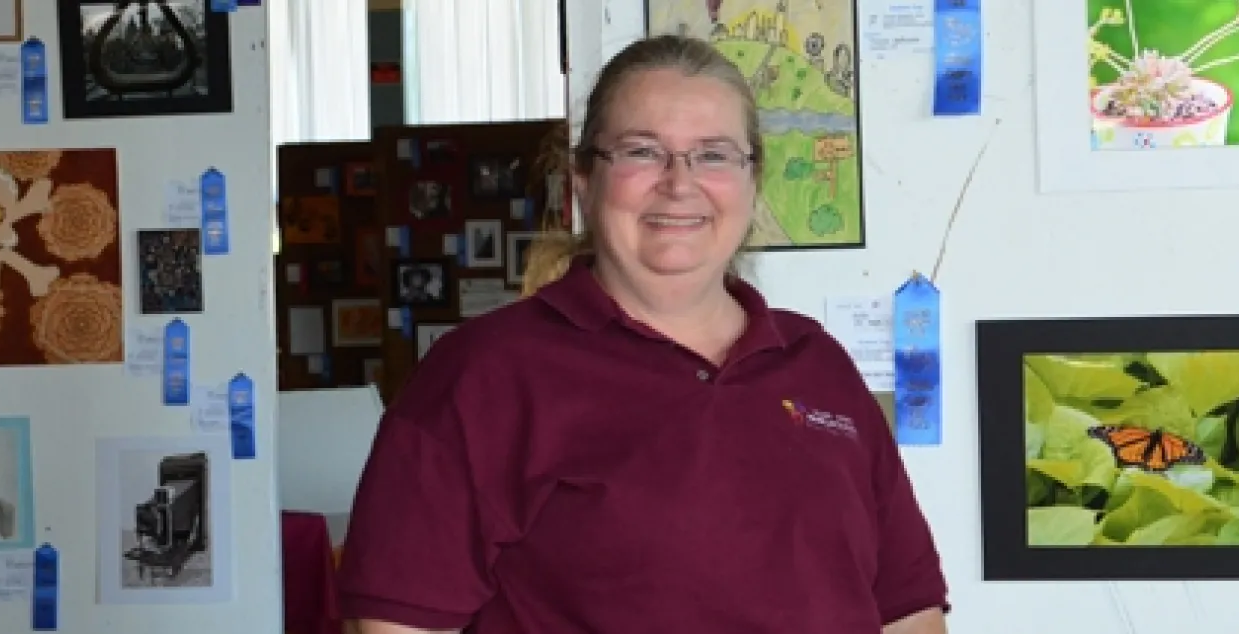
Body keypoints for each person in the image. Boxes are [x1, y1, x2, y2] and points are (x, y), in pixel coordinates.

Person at [336, 34, 951, 633]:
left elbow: (909, 614)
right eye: (642, 151)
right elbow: (393, 623)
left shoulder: (818, 366)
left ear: (752, 179)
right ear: (582, 178)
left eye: (713, 155)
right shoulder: (484, 375)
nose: (679, 184)